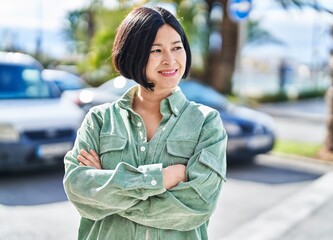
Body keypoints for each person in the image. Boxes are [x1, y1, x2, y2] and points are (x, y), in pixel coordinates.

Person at [63, 6, 227, 240]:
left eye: (177, 47)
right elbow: (79, 189)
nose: (170, 60)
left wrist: (109, 195)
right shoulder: (100, 120)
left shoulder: (206, 123)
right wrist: (160, 179)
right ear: (134, 54)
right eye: (156, 50)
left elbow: (197, 205)